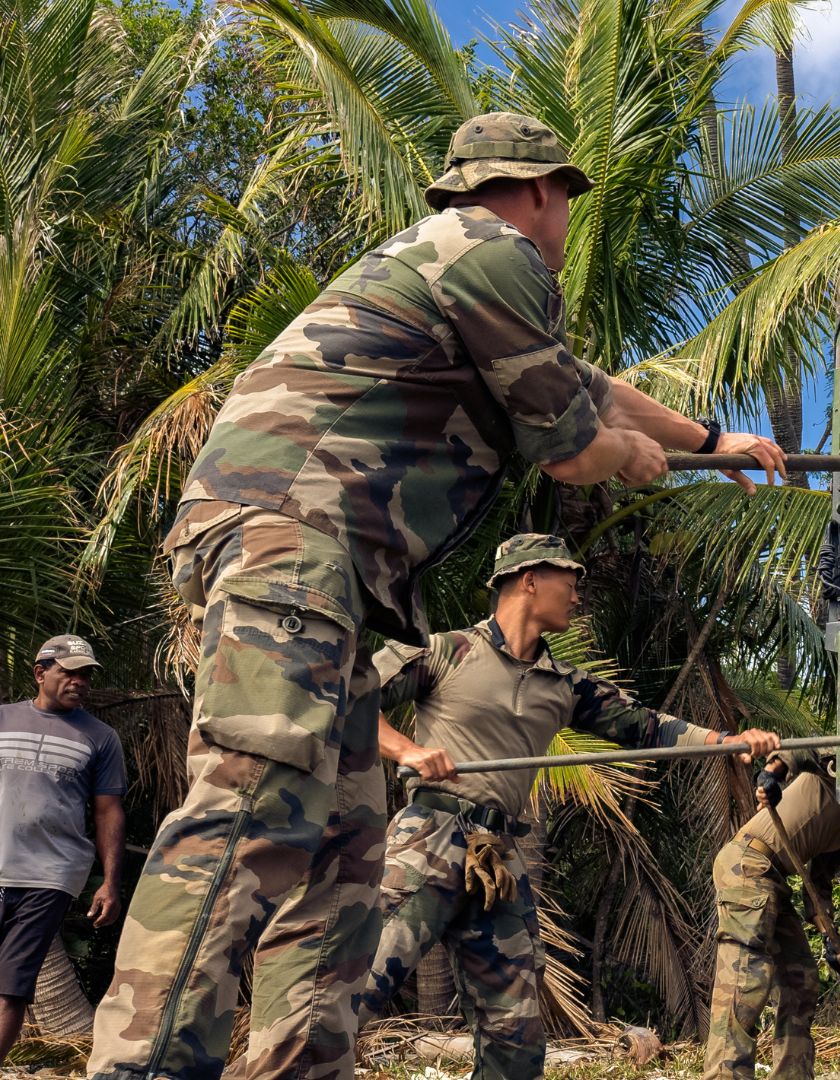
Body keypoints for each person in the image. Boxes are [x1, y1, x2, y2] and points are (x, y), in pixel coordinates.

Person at [88, 113, 786, 1080]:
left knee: (338, 861)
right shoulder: (495, 252)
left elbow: (593, 388)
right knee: (250, 814)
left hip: (321, 571)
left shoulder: (456, 264)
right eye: (568, 205)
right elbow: (580, 443)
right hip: (291, 546)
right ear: (544, 190)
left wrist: (715, 442)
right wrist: (637, 461)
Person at [359, 533, 782, 1078]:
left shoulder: (566, 686)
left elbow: (646, 726)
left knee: (516, 1041)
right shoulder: (447, 651)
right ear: (529, 579)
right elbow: (352, 693)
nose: (578, 595)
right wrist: (409, 750)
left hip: (498, 859)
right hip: (429, 838)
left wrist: (726, 742)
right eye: (570, 581)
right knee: (358, 987)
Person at [1, 636, 126, 1062]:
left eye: (85, 674)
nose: (79, 681)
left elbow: (109, 812)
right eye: (69, 671)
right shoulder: (2, 720)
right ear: (40, 672)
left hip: (48, 878)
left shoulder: (101, 738)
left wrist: (110, 882)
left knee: (13, 987)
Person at [702, 750, 840, 1080]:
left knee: (801, 981)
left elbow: (817, 892)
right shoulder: (836, 767)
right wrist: (770, 774)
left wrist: (834, 944)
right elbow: (802, 750)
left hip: (773, 878)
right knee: (746, 979)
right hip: (747, 864)